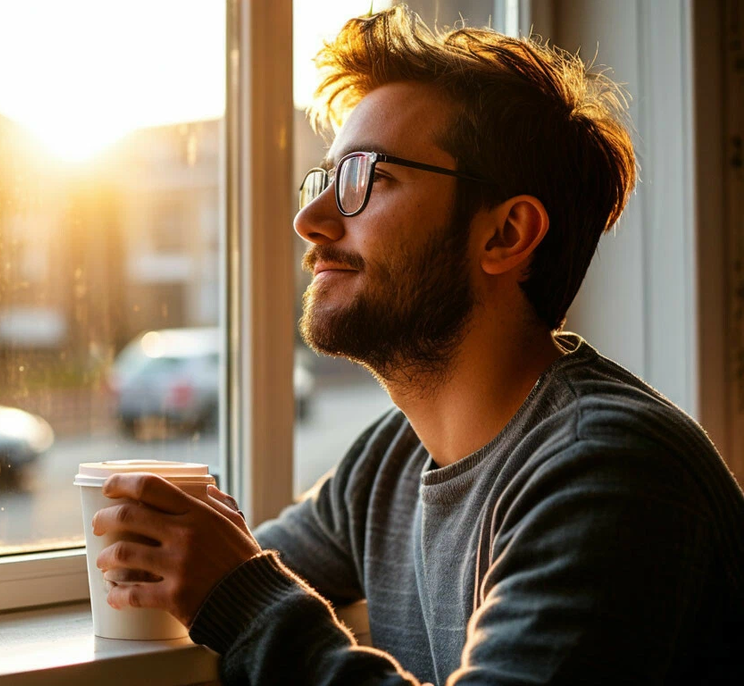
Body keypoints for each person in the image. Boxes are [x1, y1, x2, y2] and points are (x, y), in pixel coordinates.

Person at [90, 5, 744, 684]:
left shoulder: (607, 473)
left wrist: (247, 603)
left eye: (363, 181)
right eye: (324, 182)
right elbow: (225, 574)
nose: (308, 221)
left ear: (505, 236)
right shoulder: (388, 465)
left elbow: (244, 593)